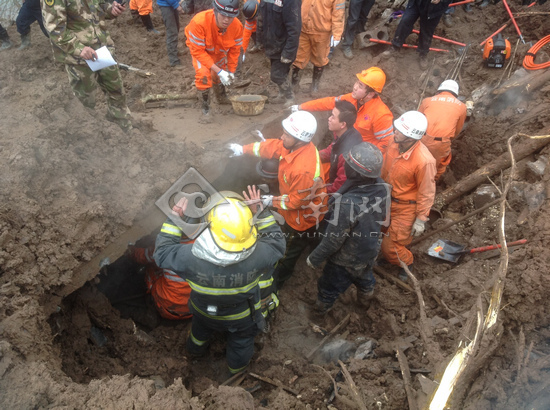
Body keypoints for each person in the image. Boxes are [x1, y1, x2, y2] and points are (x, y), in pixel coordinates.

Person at [153, 188, 286, 375]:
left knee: (199, 333)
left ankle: (194, 352)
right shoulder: (259, 255)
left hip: (203, 312)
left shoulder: (191, 258)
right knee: (241, 343)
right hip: (242, 317)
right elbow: (277, 244)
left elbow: (162, 253)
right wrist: (261, 212)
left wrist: (175, 218)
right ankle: (236, 372)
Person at [228, 111, 327, 289]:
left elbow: (297, 202)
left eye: (287, 134)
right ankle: (312, 244)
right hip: (300, 204)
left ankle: (276, 282)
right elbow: (270, 147)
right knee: (310, 236)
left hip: (301, 219)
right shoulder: (293, 146)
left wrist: (269, 201)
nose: (282, 136)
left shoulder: (305, 170)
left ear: (299, 139)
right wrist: (243, 149)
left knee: (286, 252)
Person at [307, 142, 389, 313]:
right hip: (370, 247)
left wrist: (314, 259)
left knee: (329, 286)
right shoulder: (382, 187)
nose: (345, 166)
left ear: (356, 172)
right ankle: (365, 298)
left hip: (346, 259)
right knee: (364, 277)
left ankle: (321, 311)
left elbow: (332, 241)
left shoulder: (348, 204)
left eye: (348, 165)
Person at [42, 0, 133, 131]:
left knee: (116, 92)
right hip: (80, 58)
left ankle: (124, 130)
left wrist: (111, 10)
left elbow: (98, 7)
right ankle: (89, 137)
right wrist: (79, 48)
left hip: (102, 50)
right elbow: (54, 29)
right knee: (85, 102)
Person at [380, 111, 436, 281]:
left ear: (410, 138)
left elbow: (427, 192)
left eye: (399, 131)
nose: (394, 131)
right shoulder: (394, 141)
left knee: (392, 247)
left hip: (406, 207)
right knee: (381, 232)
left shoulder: (424, 161)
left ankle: (407, 262)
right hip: (386, 198)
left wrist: (421, 219)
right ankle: (388, 255)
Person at [294, 67, 394, 154]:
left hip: (359, 156)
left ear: (370, 94)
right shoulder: (351, 99)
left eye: (360, 86)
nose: (354, 87)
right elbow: (328, 102)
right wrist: (300, 107)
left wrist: (363, 158)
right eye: (357, 83)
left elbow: (386, 143)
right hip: (342, 145)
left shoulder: (381, 115)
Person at [185, 0, 243, 121]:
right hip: (201, 51)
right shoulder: (199, 22)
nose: (227, 20)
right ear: (215, 11)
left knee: (218, 76)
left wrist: (230, 72)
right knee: (204, 75)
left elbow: (234, 51)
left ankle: (221, 96)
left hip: (219, 51)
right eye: (223, 15)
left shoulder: (237, 26)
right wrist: (219, 70)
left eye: (230, 17)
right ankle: (206, 107)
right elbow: (197, 51)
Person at [291, 0, 345, 95]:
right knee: (298, 59)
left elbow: (338, 14)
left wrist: (337, 34)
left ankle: (315, 86)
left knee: (320, 59)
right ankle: (294, 85)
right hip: (302, 30)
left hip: (322, 33)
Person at [128, 244, 193, 320]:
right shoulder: (205, 242)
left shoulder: (166, 247)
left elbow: (142, 256)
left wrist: (131, 251)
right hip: (195, 310)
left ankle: (150, 303)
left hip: (167, 309)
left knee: (151, 270)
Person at [418, 79, 467, 181]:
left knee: (415, 162)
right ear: (455, 94)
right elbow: (457, 130)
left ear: (439, 91)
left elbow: (417, 119)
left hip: (420, 138)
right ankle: (431, 182)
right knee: (437, 166)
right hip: (440, 142)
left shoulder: (427, 100)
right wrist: (449, 140)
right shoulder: (462, 107)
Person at [258, 0, 301, 104]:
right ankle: (282, 95)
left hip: (284, 46)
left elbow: (294, 28)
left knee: (277, 75)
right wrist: (259, 40)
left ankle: (289, 96)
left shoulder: (291, 1)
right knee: (281, 73)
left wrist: (288, 52)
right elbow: (261, 19)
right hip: (272, 43)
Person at [387, 0, 452, 68]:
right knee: (405, 21)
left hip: (434, 8)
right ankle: (395, 45)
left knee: (427, 30)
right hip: (416, 2)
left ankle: (423, 53)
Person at [319, 100, 362, 194]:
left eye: (333, 117)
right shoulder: (343, 133)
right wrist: (314, 157)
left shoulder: (347, 154)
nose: (329, 119)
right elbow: (332, 149)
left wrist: (322, 192)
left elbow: (340, 185)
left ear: (343, 124)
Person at [157, 0, 184, 67]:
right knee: (172, 32)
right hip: (166, 5)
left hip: (172, 3)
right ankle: (173, 60)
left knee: (176, 28)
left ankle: (174, 50)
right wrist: (176, 5)